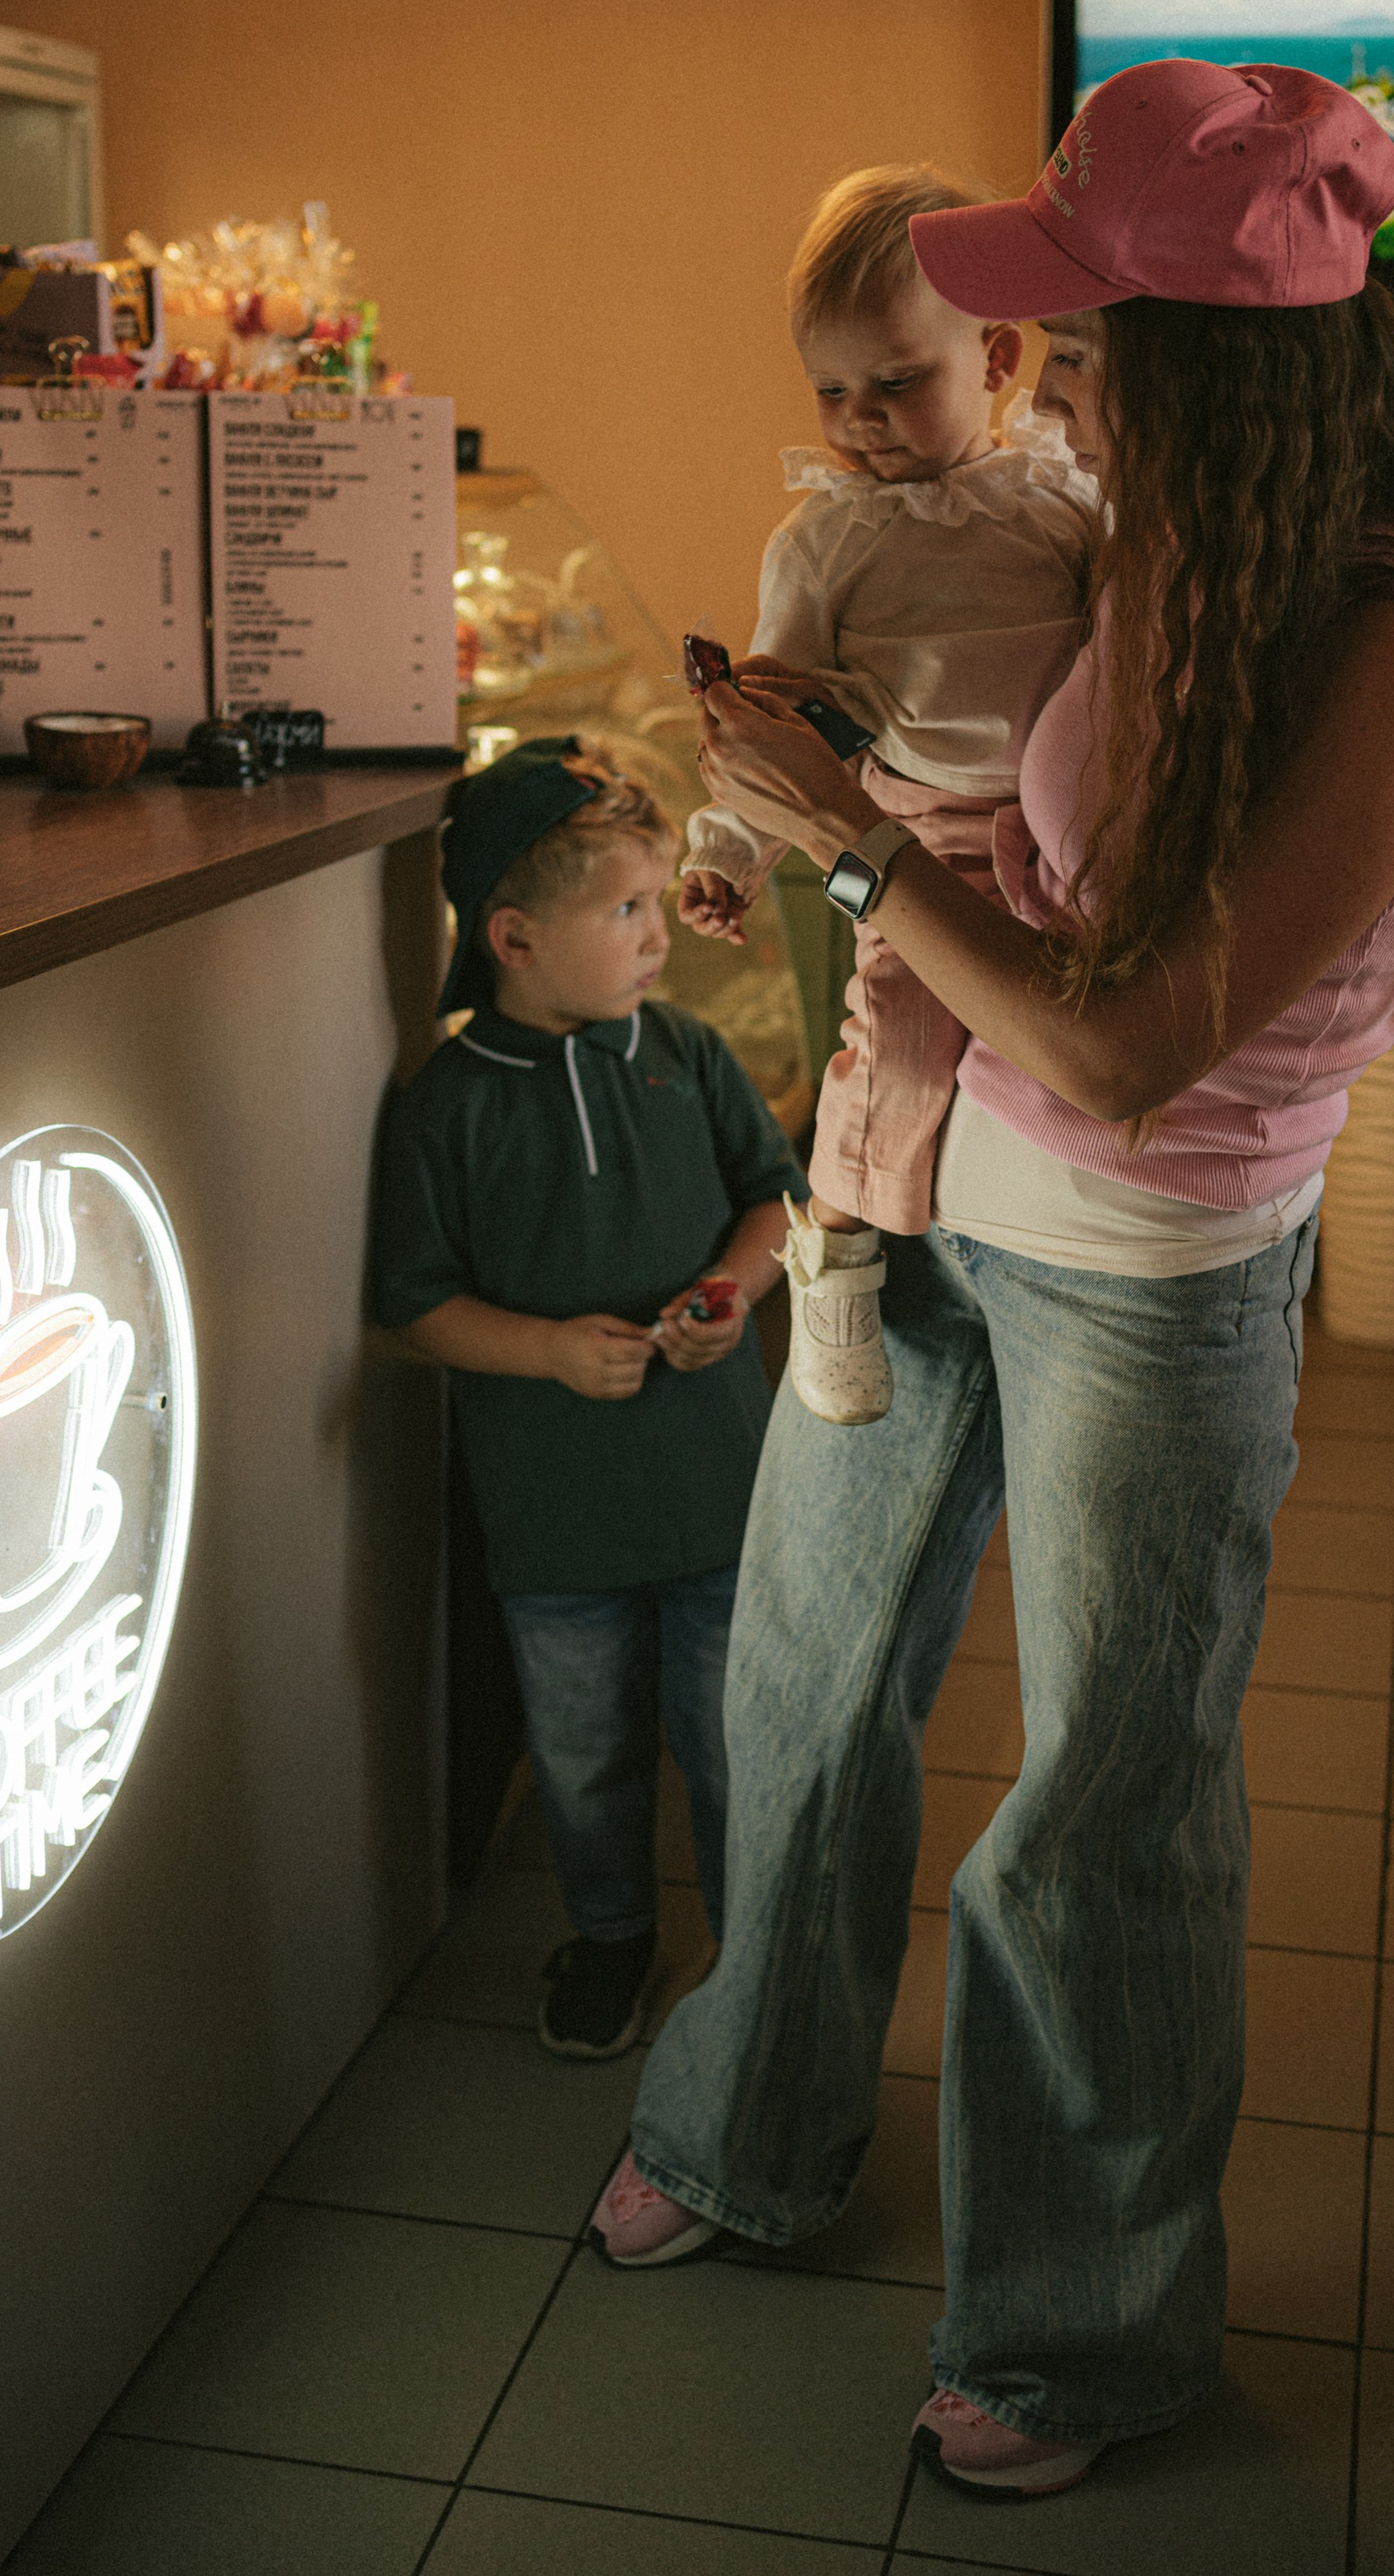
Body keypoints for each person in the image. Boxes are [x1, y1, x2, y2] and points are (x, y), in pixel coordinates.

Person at [587, 63, 1394, 2499]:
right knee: (806, 1693)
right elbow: (1016, 852)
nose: (1043, 392)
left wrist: (838, 854)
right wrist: (829, 782)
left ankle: (1078, 2333)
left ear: (1205, 368)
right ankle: (741, 2135)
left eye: (1085, 348)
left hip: (1153, 1269)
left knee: (1104, 1814)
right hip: (927, 1197)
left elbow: (1129, 1048)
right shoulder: (1146, 539)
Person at [371, 736, 805, 2061]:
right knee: (583, 1754)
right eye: (624, 910)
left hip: (719, 1491)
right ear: (512, 934)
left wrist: (733, 1290)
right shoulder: (446, 1109)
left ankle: (757, 1960)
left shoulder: (684, 1050)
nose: (656, 938)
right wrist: (552, 1352)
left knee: (736, 1744)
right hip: (553, 1520)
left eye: (655, 903)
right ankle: (612, 1939)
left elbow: (774, 1201)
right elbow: (416, 1304)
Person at [679, 165, 1099, 1426]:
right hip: (907, 834)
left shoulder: (1065, 496)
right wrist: (730, 853)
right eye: (832, 390)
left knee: (1060, 1046)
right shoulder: (829, 539)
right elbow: (772, 714)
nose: (860, 420)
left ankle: (1028, 1250)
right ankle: (839, 1264)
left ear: (1002, 356)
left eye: (899, 382)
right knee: (899, 1053)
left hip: (1063, 831)